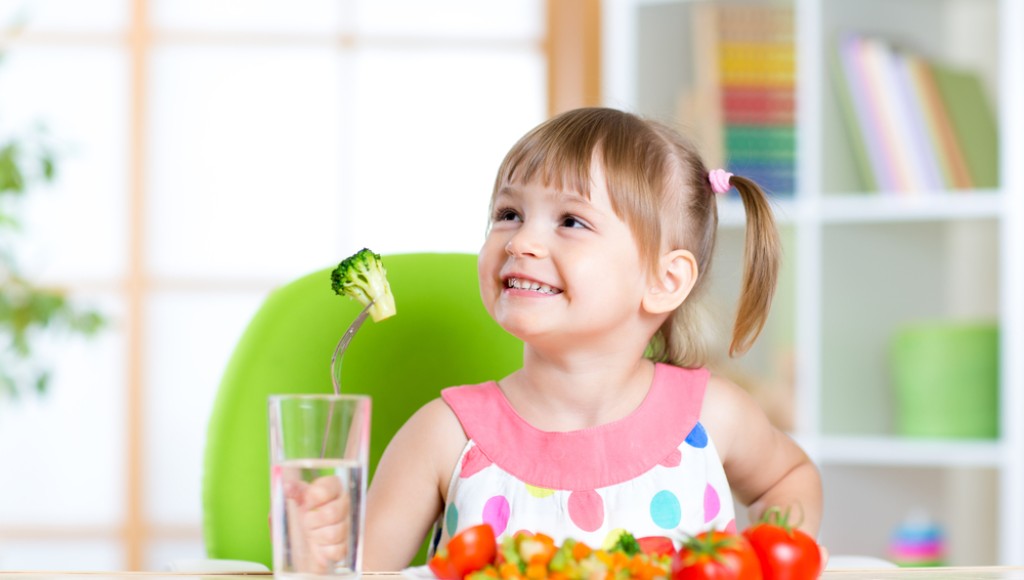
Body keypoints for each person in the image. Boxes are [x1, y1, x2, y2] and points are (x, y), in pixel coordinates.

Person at [362, 107, 822, 570]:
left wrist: (771, 560)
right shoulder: (444, 434)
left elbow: (788, 477)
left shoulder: (713, 415)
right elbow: (362, 571)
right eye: (509, 213)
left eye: (571, 222)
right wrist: (322, 540)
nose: (521, 242)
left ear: (664, 281)